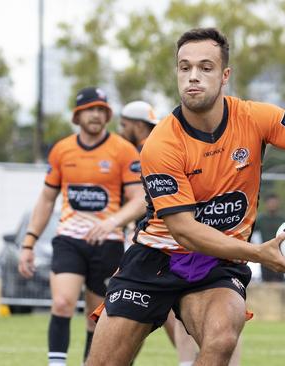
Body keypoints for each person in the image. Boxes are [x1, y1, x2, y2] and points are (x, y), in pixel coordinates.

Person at [87, 27, 285, 366]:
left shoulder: (254, 117)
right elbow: (185, 231)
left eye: (205, 67)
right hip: (156, 257)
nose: (193, 76)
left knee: (222, 338)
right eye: (185, 67)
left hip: (219, 262)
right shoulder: (161, 143)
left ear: (224, 75)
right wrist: (258, 253)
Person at [18, 87, 146, 366]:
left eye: (102, 110)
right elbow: (46, 199)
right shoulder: (62, 150)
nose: (97, 115)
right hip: (69, 241)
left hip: (108, 243)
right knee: (62, 302)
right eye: (91, 109)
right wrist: (28, 243)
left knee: (96, 317)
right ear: (78, 115)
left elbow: (139, 200)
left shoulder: (123, 150)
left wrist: (113, 222)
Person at [119, 100, 202, 366]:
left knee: (132, 311)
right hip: (167, 239)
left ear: (137, 125)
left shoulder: (148, 152)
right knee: (162, 310)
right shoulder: (166, 144)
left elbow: (148, 204)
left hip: (157, 242)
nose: (121, 131)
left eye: (124, 125)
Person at [255, 193, 285, 282]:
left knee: (280, 279)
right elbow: (250, 232)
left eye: (274, 202)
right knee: (266, 280)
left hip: (281, 253)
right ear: (266, 204)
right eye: (270, 202)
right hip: (265, 253)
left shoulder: (283, 220)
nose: (272, 204)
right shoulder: (260, 219)